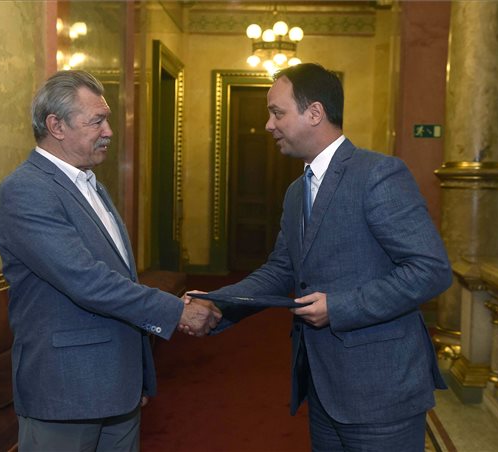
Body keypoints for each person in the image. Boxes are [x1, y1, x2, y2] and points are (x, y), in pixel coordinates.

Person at [185, 63, 452, 451]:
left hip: (381, 392)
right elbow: (282, 269)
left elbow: (431, 270)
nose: (268, 125)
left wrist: (340, 307)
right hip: (323, 386)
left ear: (314, 113)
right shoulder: (297, 191)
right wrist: (217, 302)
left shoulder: (378, 174)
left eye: (277, 113)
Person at [0, 69, 221, 452]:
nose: (109, 131)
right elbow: (86, 281)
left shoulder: (90, 184)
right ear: (56, 126)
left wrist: (137, 376)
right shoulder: (26, 190)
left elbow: (120, 278)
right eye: (97, 121)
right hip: (67, 393)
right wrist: (176, 310)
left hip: (118, 389)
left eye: (107, 119)